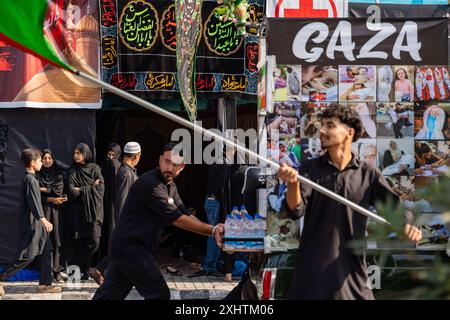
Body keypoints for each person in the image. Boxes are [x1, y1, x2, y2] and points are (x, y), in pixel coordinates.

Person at [277, 105, 422, 300]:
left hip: (351, 274)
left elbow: (393, 207)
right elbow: (295, 210)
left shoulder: (368, 174)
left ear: (349, 132)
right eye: (322, 125)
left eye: (330, 125)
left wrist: (407, 225)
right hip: (311, 273)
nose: (322, 130)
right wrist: (293, 184)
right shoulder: (310, 169)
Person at [92, 143, 225, 300]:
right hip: (131, 248)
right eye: (166, 161)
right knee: (159, 294)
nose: (169, 167)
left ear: (182, 166)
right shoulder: (151, 184)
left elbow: (185, 213)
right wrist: (212, 229)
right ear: (160, 159)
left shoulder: (170, 186)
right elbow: (177, 219)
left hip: (126, 247)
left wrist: (215, 229)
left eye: (175, 164)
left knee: (108, 296)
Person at [0, 148, 61, 294]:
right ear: (32, 163)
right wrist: (43, 219)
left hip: (38, 224)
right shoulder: (29, 179)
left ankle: (45, 284)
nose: (42, 163)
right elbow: (33, 202)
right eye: (40, 160)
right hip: (32, 224)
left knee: (47, 250)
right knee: (28, 256)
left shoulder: (33, 178)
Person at [89, 142, 141, 285]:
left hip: (129, 221)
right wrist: (124, 224)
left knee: (125, 250)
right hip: (127, 221)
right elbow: (122, 201)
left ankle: (102, 270)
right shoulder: (125, 174)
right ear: (136, 156)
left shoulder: (128, 172)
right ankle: (102, 269)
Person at [65, 143, 104, 281]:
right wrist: (89, 187)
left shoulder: (95, 168)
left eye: (78, 153)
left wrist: (80, 189)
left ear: (85, 154)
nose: (76, 156)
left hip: (93, 211)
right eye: (74, 153)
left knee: (94, 241)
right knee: (80, 243)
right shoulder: (72, 171)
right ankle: (81, 273)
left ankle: (73, 265)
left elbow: (100, 189)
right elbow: (71, 192)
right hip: (77, 213)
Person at [37, 149, 68, 283]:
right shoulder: (37, 175)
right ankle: (45, 272)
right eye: (44, 158)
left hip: (56, 212)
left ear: (53, 160)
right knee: (43, 240)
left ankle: (57, 271)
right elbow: (35, 195)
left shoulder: (58, 174)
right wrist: (50, 198)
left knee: (56, 239)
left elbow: (58, 192)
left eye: (50, 158)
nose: (47, 161)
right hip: (42, 211)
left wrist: (44, 190)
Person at [99, 143, 121, 260]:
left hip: (114, 204)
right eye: (109, 154)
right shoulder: (104, 166)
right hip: (103, 202)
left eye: (114, 155)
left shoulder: (118, 167)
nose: (111, 158)